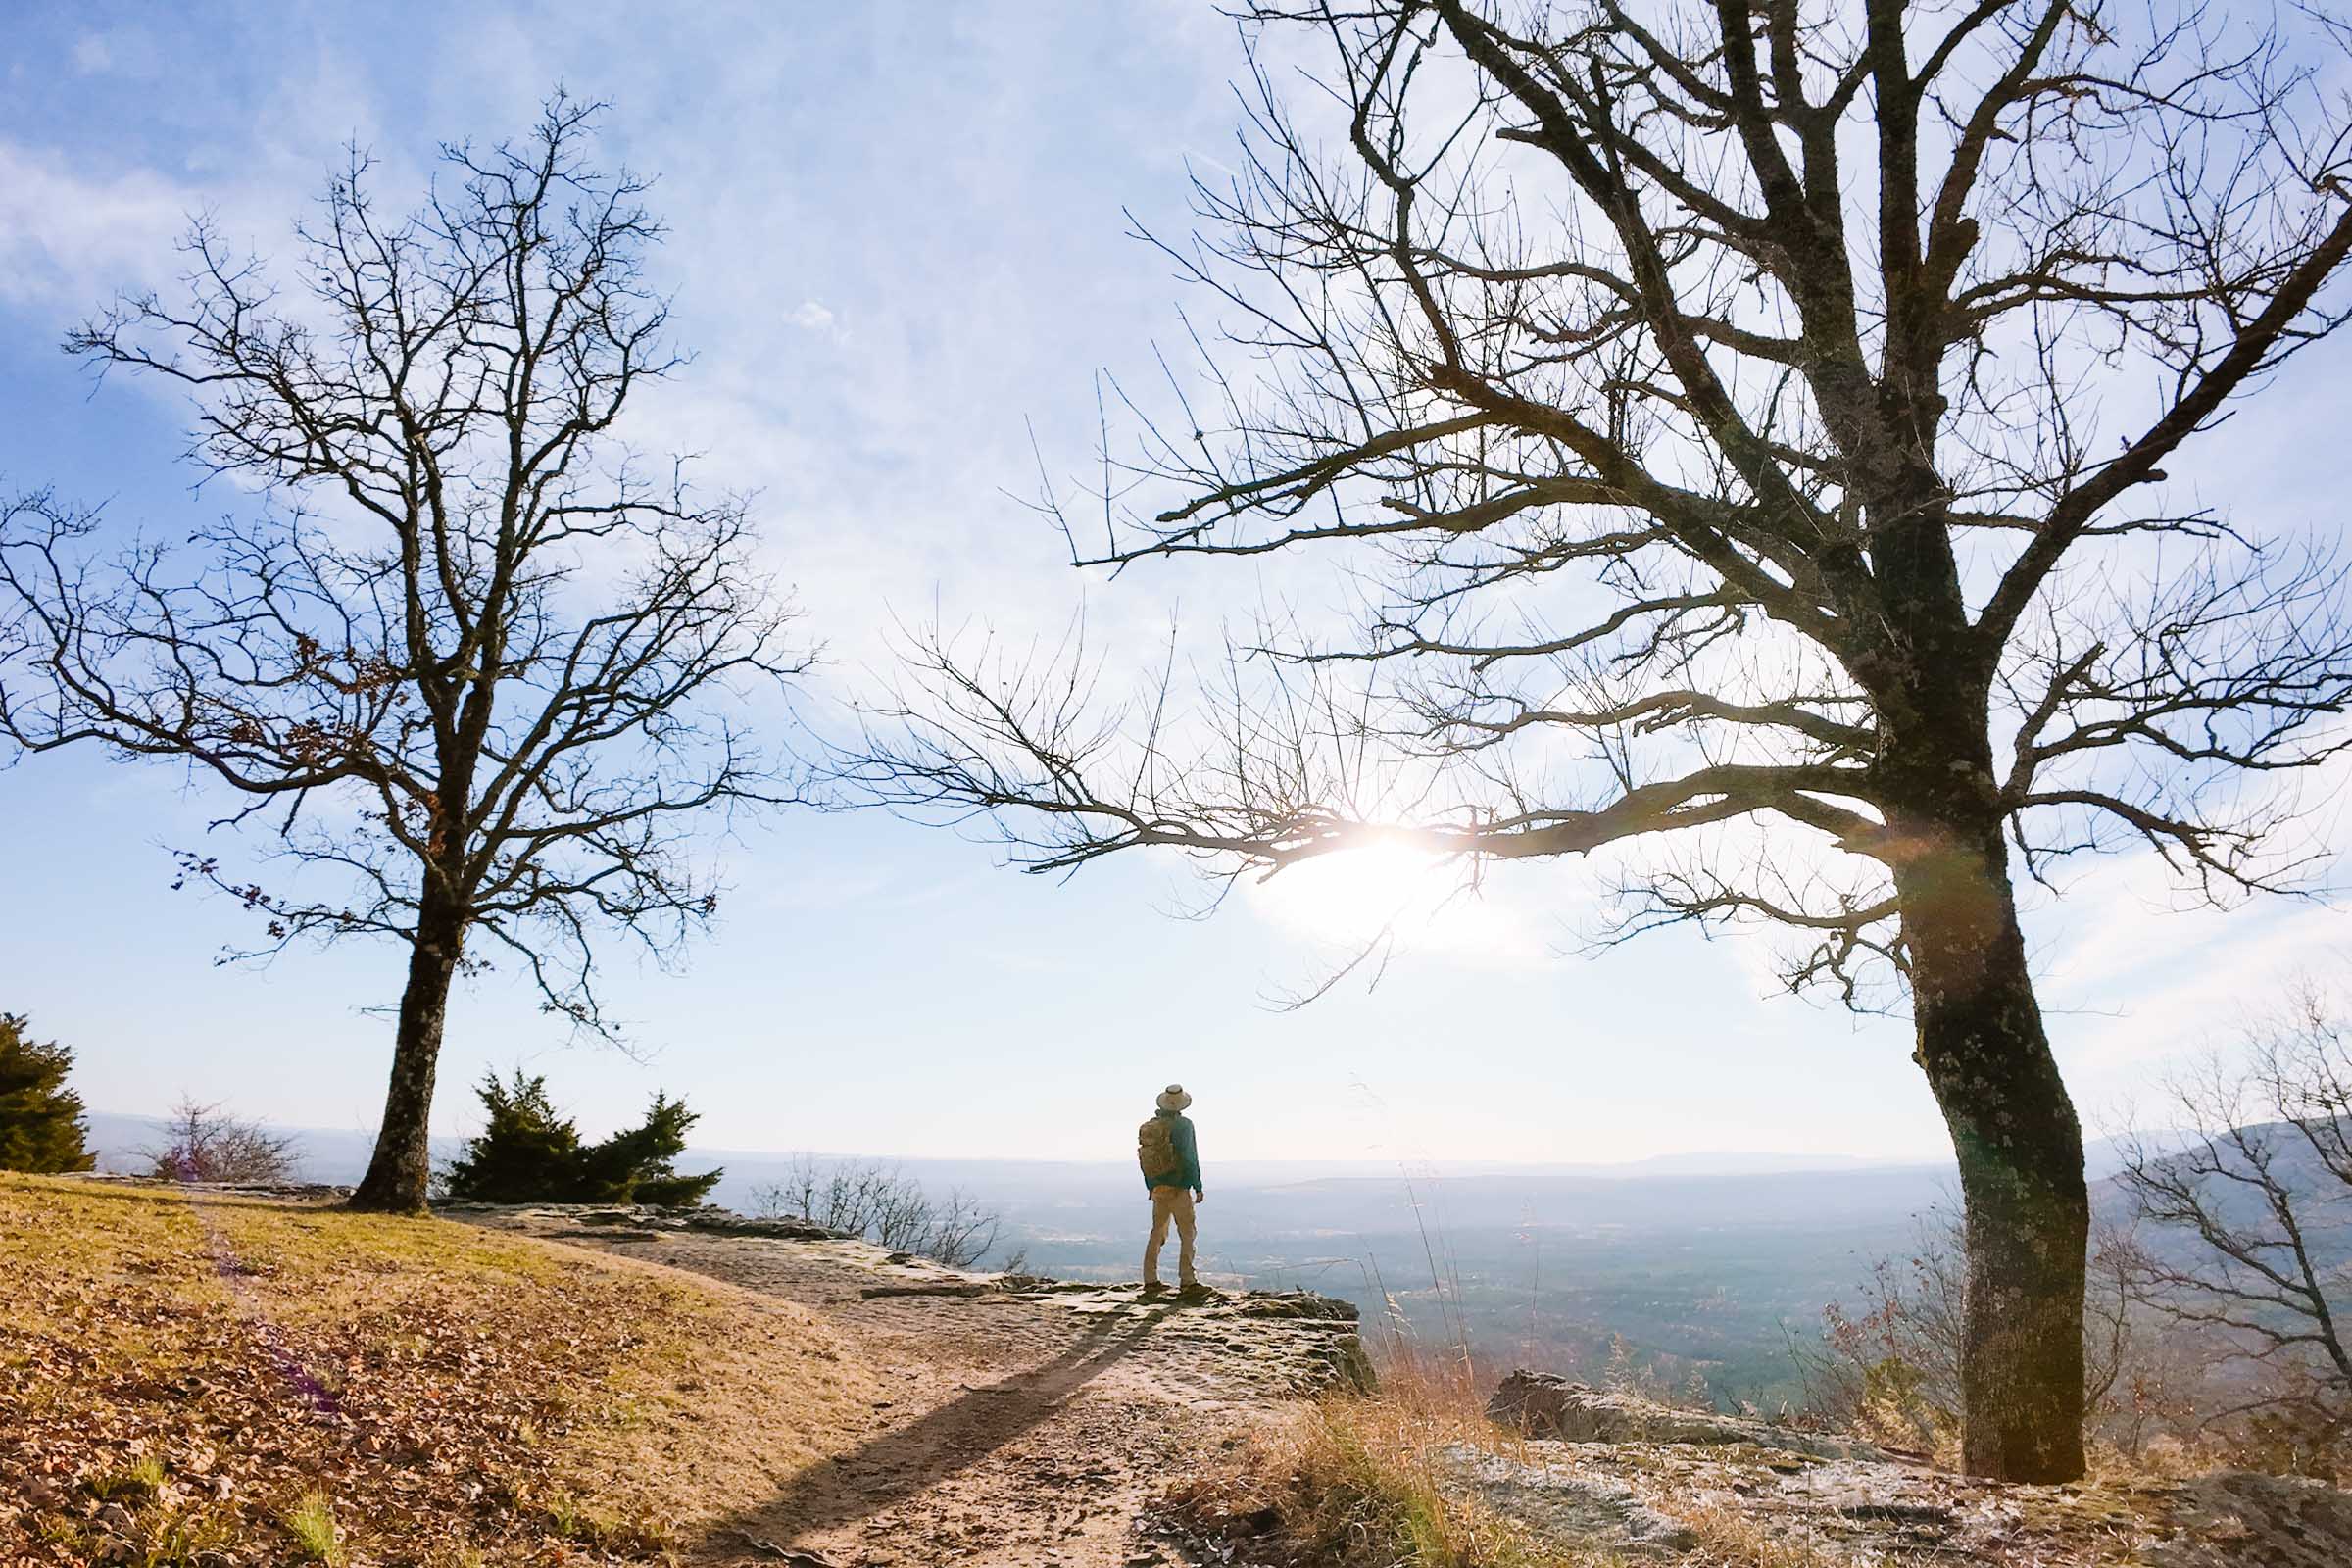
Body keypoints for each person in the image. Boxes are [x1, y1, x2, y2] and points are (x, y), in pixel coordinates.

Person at [1138, 1083, 1205, 1297]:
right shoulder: (1184, 1125)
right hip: (1179, 1187)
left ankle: (1150, 1279)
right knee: (1187, 1233)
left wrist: (1152, 1186)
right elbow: (1189, 1157)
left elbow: (1146, 1159)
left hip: (1158, 1188)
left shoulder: (1152, 1126)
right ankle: (1187, 1280)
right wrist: (1197, 1185)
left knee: (1157, 1232)